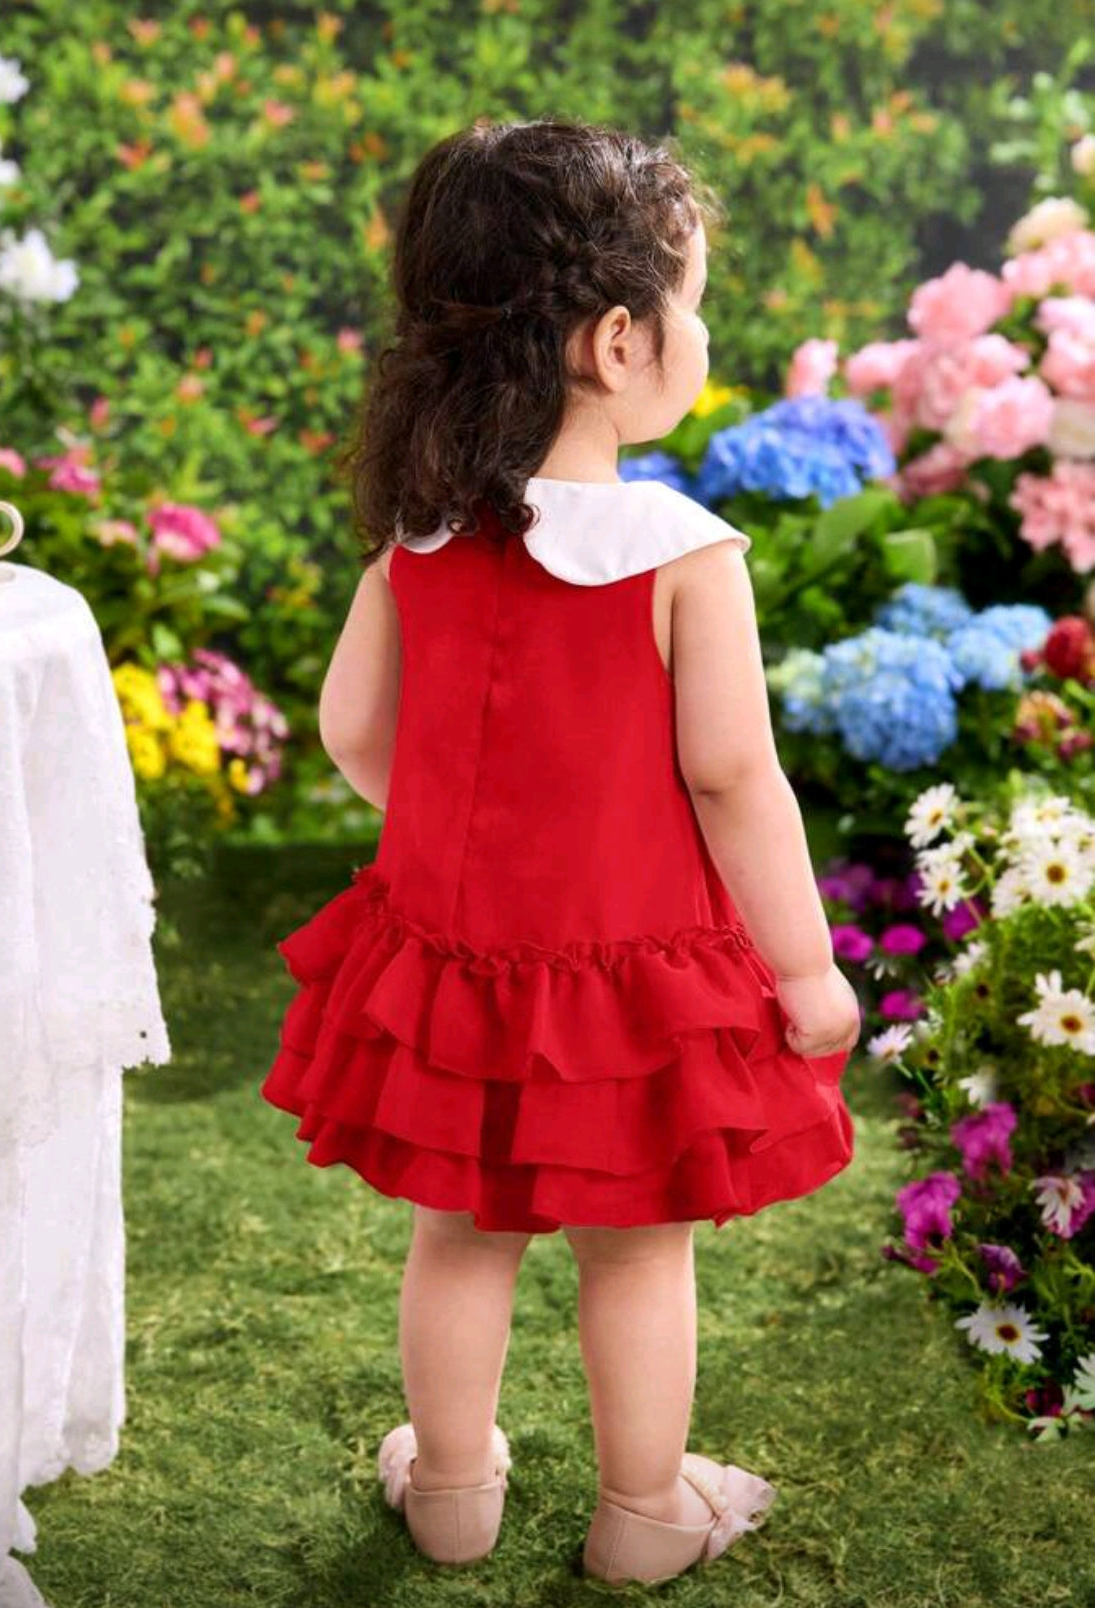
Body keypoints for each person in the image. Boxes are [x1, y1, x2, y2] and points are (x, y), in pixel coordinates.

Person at [260, 116, 862, 1585]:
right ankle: (645, 1512)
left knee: (461, 1231)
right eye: (693, 301)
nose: (702, 331)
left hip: (457, 964)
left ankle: (451, 1493)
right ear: (617, 341)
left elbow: (351, 728)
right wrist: (805, 968)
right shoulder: (683, 554)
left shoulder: (424, 535)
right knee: (638, 1246)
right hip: (628, 981)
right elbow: (734, 778)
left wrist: (452, 831)